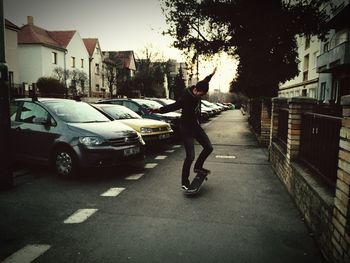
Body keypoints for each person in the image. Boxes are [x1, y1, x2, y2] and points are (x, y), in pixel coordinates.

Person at [151, 68, 217, 192]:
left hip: (196, 126)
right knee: (190, 156)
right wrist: (159, 110)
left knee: (209, 147)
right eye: (200, 94)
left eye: (202, 95)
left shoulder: (200, 86)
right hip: (186, 128)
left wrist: (212, 74)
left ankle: (198, 167)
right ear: (196, 90)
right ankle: (184, 182)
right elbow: (174, 106)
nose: (200, 96)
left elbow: (205, 80)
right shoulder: (186, 97)